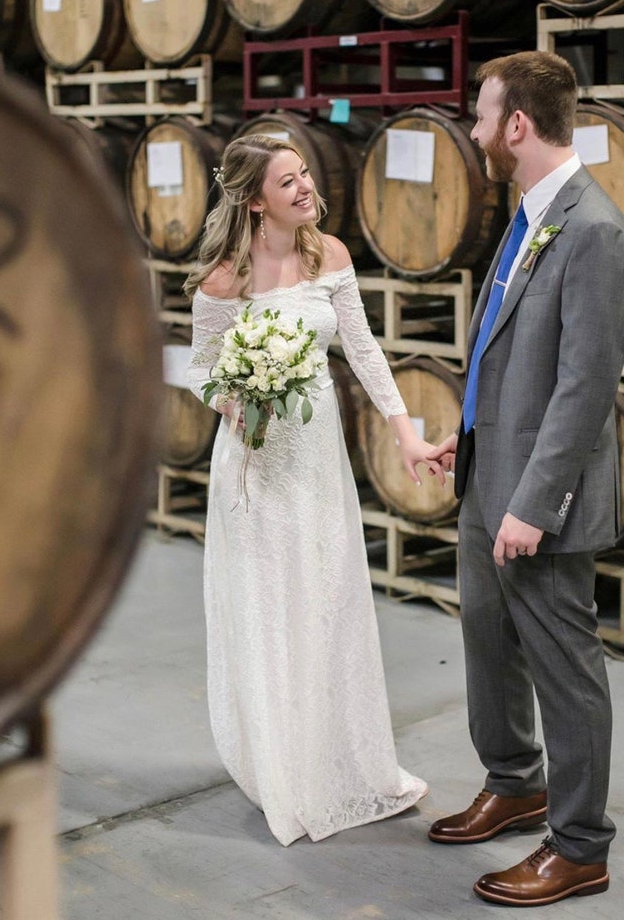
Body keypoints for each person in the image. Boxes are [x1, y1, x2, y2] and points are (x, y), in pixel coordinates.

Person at [184, 133, 442, 846]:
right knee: (271, 608)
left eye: (304, 174)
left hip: (317, 461)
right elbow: (204, 370)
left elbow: (361, 349)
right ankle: (284, 772)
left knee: (326, 601)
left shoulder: (329, 256)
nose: (304, 188)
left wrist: (405, 431)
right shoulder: (221, 281)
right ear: (253, 197)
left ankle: (347, 762)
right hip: (257, 467)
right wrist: (235, 398)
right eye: (287, 181)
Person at [427, 51, 624, 906]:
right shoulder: (528, 217)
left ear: (517, 124)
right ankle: (514, 778)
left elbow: (585, 388)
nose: (473, 131)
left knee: (564, 661)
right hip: (488, 475)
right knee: (486, 634)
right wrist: (466, 434)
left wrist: (535, 502)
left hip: (536, 501)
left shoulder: (593, 230)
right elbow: (508, 353)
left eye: (481, 116)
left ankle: (581, 841)